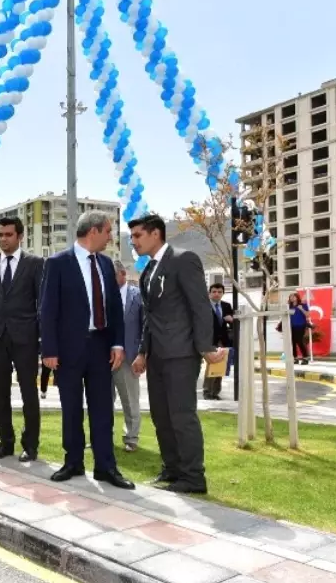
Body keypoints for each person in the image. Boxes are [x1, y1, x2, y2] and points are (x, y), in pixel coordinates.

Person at [129, 214, 225, 495]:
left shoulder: (184, 260)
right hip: (156, 355)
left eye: (137, 236)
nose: (133, 242)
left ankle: (194, 477)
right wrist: (142, 352)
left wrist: (205, 347)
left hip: (181, 353)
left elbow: (200, 306)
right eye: (131, 237)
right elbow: (150, 316)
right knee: (161, 415)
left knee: (182, 415)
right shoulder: (148, 271)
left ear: (155, 233)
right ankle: (172, 469)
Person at [40, 211, 134, 490]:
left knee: (103, 408)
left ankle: (106, 467)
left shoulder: (106, 264)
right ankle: (73, 462)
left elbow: (115, 309)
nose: (110, 237)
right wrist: (49, 349)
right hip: (68, 350)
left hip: (101, 348)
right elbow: (47, 310)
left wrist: (117, 343)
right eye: (108, 231)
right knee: (71, 408)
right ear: (94, 231)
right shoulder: (57, 263)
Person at [0, 217, 44, 462]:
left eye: (8, 235)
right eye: (0, 235)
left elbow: (42, 303)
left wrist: (43, 340)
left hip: (25, 338)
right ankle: (6, 442)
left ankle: (31, 445)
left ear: (20, 236)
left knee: (28, 394)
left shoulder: (35, 264)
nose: (3, 239)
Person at [112, 260, 143, 453]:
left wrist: (141, 353)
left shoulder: (138, 296)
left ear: (123, 273)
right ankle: (102, 435)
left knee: (130, 400)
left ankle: (131, 437)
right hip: (103, 357)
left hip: (128, 357)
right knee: (101, 401)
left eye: (112, 275)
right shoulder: (102, 295)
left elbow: (144, 327)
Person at [203, 283, 234, 400]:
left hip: (223, 340)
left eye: (219, 292)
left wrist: (231, 320)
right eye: (214, 292)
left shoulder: (226, 305)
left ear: (223, 293)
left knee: (221, 364)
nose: (217, 294)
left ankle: (215, 392)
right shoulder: (204, 306)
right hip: (209, 339)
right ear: (209, 293)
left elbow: (233, 321)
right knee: (211, 364)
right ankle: (207, 391)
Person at [284, 293, 312, 365]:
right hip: (291, 326)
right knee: (292, 342)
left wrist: (301, 309)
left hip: (300, 326)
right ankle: (295, 358)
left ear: (297, 297)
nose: (292, 298)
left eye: (293, 296)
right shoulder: (289, 307)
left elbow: (307, 315)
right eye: (290, 297)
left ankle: (305, 357)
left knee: (299, 341)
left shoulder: (303, 305)